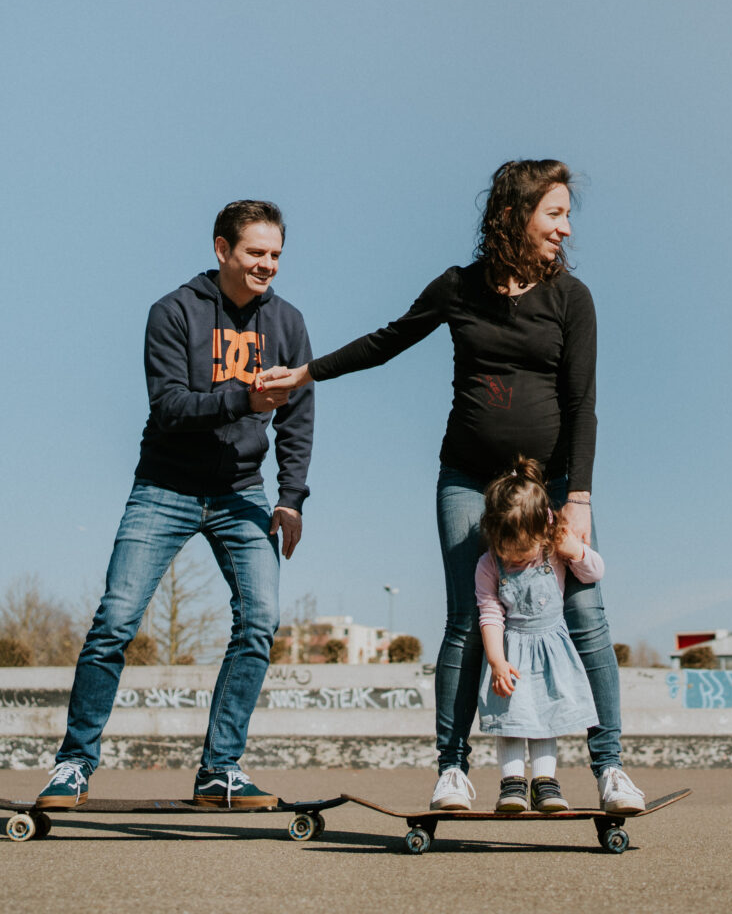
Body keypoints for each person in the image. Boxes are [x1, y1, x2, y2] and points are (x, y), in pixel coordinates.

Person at [260, 159, 645, 813]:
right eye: (554, 213)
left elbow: (584, 404)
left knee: (585, 617)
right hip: (468, 481)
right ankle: (453, 770)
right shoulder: (459, 287)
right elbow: (389, 339)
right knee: (468, 620)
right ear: (514, 215)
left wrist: (578, 496)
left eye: (566, 214)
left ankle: (610, 769)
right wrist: (305, 374)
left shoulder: (571, 300)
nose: (566, 227)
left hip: (552, 487)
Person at [36, 199, 314, 809]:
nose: (267, 265)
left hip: (243, 492)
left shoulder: (288, 324)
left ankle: (220, 769)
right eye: (254, 253)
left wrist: (291, 498)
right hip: (165, 488)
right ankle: (73, 766)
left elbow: (298, 418)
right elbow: (170, 407)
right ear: (222, 250)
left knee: (260, 622)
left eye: (275, 255)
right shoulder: (173, 313)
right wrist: (243, 400)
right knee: (114, 623)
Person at [476, 458, 602, 812]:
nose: (514, 557)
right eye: (507, 548)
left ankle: (545, 783)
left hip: (551, 649)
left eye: (522, 548)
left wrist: (574, 550)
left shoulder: (554, 550)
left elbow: (595, 572)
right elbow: (490, 613)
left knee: (547, 717)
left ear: (542, 531)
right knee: (511, 719)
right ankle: (512, 784)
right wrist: (496, 660)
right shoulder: (489, 564)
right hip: (512, 650)